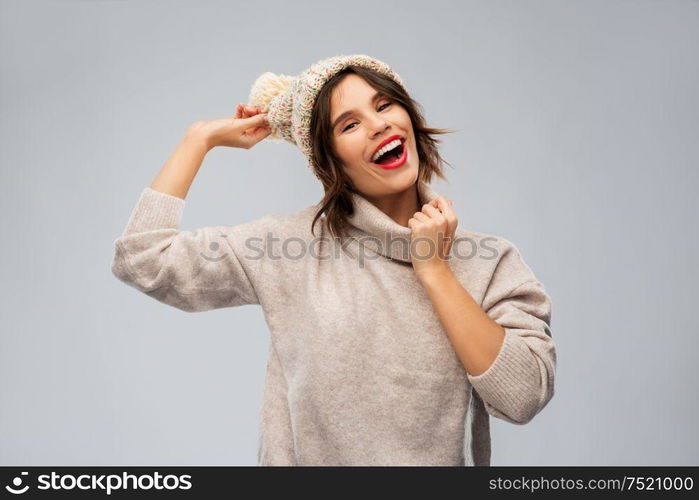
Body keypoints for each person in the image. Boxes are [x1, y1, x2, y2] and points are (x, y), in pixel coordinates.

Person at [111, 54, 556, 466]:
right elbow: (144, 259)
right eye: (349, 125)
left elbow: (522, 398)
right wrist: (199, 139)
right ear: (331, 164)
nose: (378, 125)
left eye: (385, 105)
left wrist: (434, 270)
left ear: (411, 120)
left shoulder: (489, 261)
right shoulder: (288, 247)